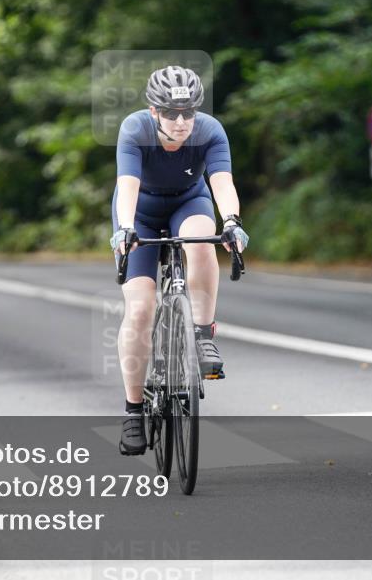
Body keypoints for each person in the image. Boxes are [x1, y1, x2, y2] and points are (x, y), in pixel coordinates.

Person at [110, 66, 248, 455]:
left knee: (202, 240)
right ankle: (134, 411)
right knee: (140, 309)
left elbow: (222, 183)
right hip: (140, 212)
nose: (182, 121)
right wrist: (124, 229)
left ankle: (203, 336)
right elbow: (127, 188)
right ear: (154, 111)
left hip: (190, 202)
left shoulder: (209, 131)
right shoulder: (134, 129)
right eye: (171, 113)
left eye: (189, 112)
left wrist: (233, 222)